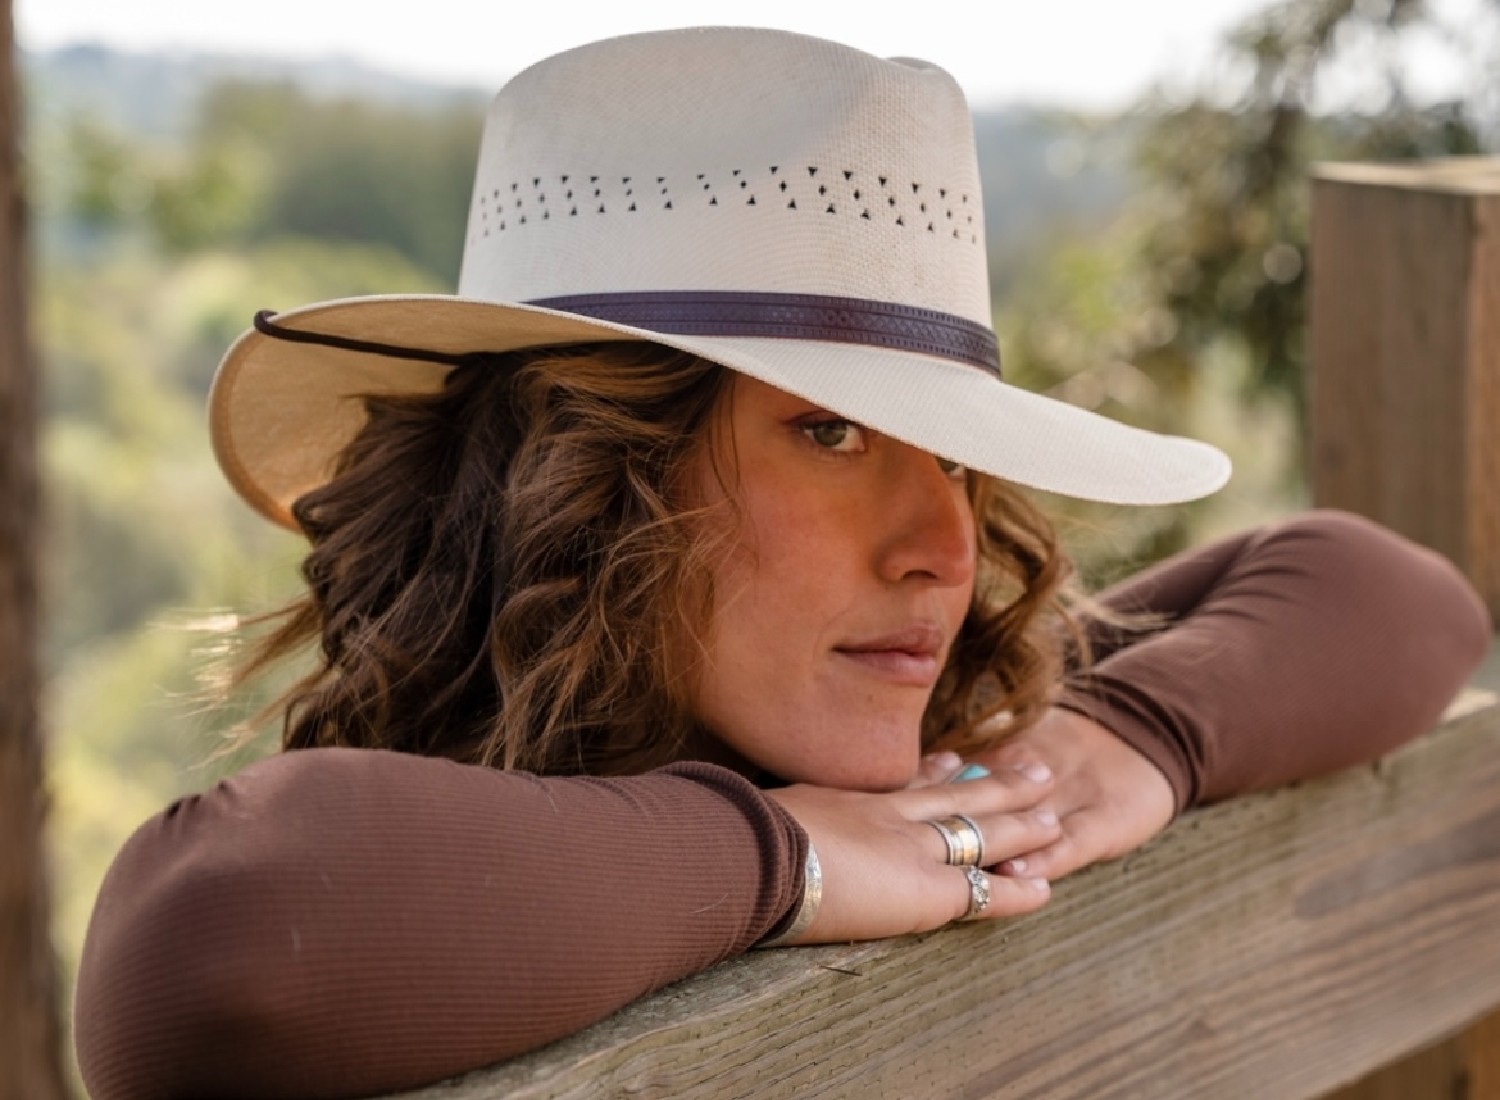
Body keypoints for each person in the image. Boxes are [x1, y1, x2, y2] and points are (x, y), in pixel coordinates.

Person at [73, 26, 1490, 1100]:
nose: (944, 547)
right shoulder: (437, 854)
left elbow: (1394, 595)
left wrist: (1128, 741)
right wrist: (794, 856)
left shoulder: (940, 749)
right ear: (584, 481)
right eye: (829, 432)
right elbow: (218, 937)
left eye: (949, 456)